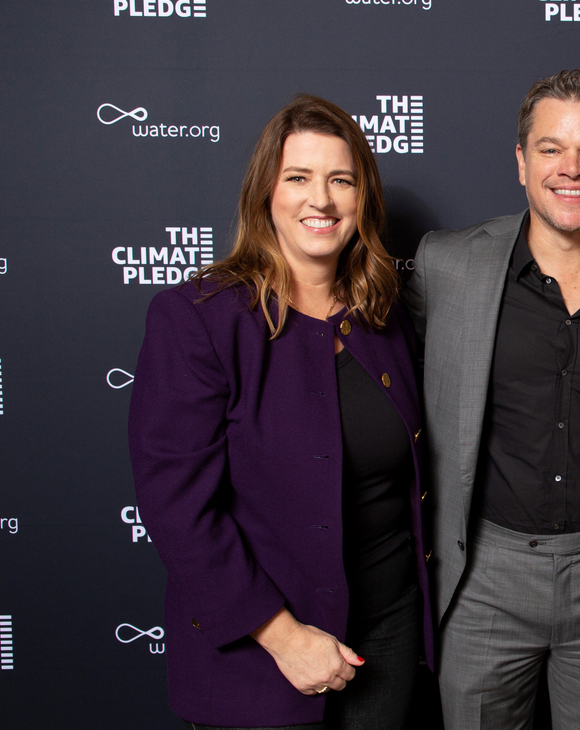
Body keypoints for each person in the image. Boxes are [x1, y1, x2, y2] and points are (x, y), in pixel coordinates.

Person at [128, 94, 433, 730]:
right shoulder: (200, 320)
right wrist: (284, 638)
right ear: (267, 192)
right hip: (258, 655)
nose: (320, 200)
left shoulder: (385, 318)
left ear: (362, 198)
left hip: (389, 640)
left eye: (340, 180)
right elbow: (179, 509)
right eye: (298, 178)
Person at [404, 70, 580, 729]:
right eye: (550, 149)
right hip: (484, 579)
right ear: (520, 161)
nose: (571, 169)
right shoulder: (448, 266)